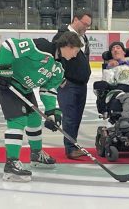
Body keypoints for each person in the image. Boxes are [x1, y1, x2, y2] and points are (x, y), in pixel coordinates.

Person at [0, 31, 83, 182]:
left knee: (34, 117)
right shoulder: (41, 46)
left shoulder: (59, 67)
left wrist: (51, 112)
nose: (75, 55)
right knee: (18, 120)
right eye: (76, 51)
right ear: (68, 46)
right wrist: (3, 68)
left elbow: (48, 90)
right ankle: (11, 163)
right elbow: (9, 45)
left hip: (24, 88)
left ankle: (36, 154)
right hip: (6, 82)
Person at [52, 11, 92, 160]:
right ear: (75, 19)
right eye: (84, 24)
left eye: (88, 25)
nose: (86, 28)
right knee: (69, 117)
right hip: (68, 84)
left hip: (81, 84)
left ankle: (73, 145)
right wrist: (61, 80)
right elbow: (56, 58)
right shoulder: (62, 35)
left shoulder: (83, 37)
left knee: (77, 117)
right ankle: (70, 149)